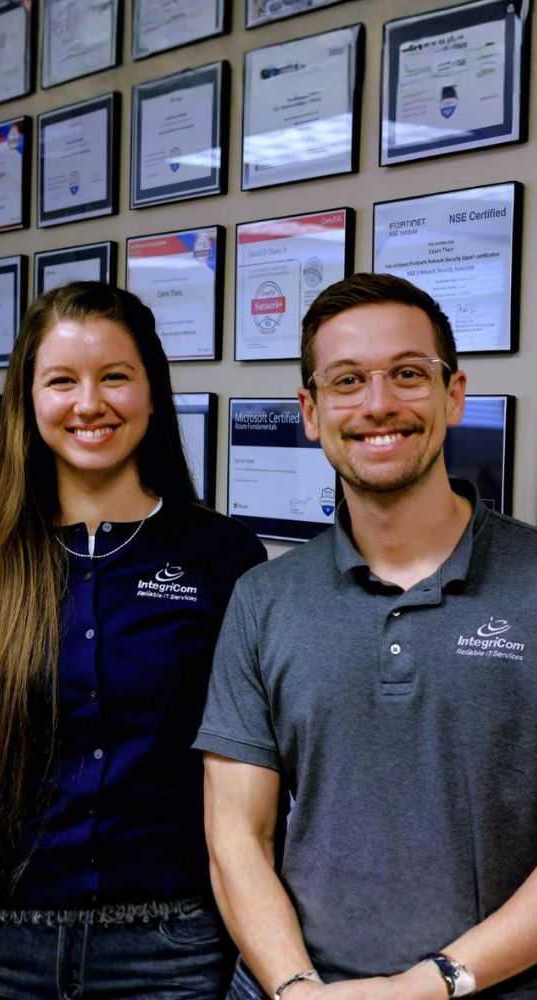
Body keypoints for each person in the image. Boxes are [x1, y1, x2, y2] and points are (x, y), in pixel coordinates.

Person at [0, 282, 267, 1000]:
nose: (89, 403)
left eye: (115, 377)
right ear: (28, 401)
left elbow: (253, 779)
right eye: (62, 380)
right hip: (0, 946)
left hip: (171, 948)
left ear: (152, 393)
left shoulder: (221, 557)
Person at [195, 272, 537, 1000]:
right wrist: (294, 988)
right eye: (346, 381)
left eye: (407, 374)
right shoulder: (263, 600)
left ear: (453, 394)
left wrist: (427, 985)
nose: (378, 404)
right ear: (310, 411)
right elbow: (236, 836)